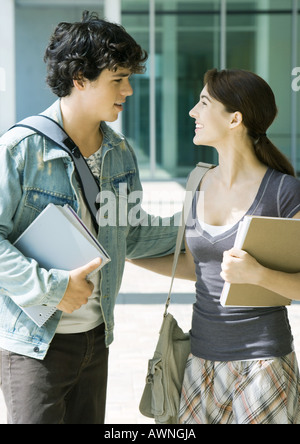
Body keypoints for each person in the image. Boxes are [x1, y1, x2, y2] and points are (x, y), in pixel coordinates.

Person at [0, 11, 180, 424]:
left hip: (96, 341)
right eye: (118, 79)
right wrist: (51, 288)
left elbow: (131, 234)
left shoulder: (120, 152)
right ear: (80, 78)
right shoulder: (20, 149)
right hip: (34, 347)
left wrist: (203, 227)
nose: (129, 90)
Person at [131, 68, 300, 424]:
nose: (193, 111)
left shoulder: (284, 193)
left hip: (263, 363)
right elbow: (197, 269)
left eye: (204, 102)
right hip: (200, 358)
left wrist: (258, 274)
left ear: (235, 118)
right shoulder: (197, 182)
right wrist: (126, 256)